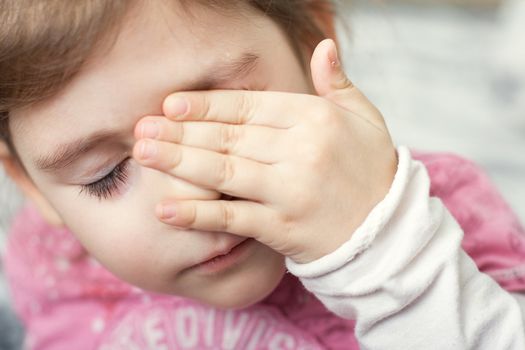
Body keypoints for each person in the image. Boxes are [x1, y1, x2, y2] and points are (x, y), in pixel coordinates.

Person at [1, 1, 524, 348]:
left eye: (224, 117)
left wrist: (387, 256)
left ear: (314, 41)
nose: (193, 194)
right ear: (32, 187)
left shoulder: (431, 221)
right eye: (106, 175)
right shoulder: (57, 263)